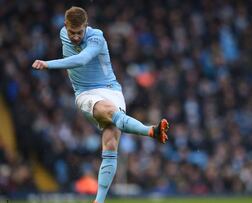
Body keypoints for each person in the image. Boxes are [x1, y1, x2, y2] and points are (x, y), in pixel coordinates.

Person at [32, 6, 169, 203]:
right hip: (86, 93)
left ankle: (99, 201)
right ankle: (151, 131)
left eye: (80, 32)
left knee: (111, 141)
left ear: (86, 26)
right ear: (65, 27)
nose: (76, 37)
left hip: (112, 90)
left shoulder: (97, 38)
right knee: (110, 112)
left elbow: (82, 59)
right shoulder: (64, 34)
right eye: (72, 32)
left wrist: (48, 64)